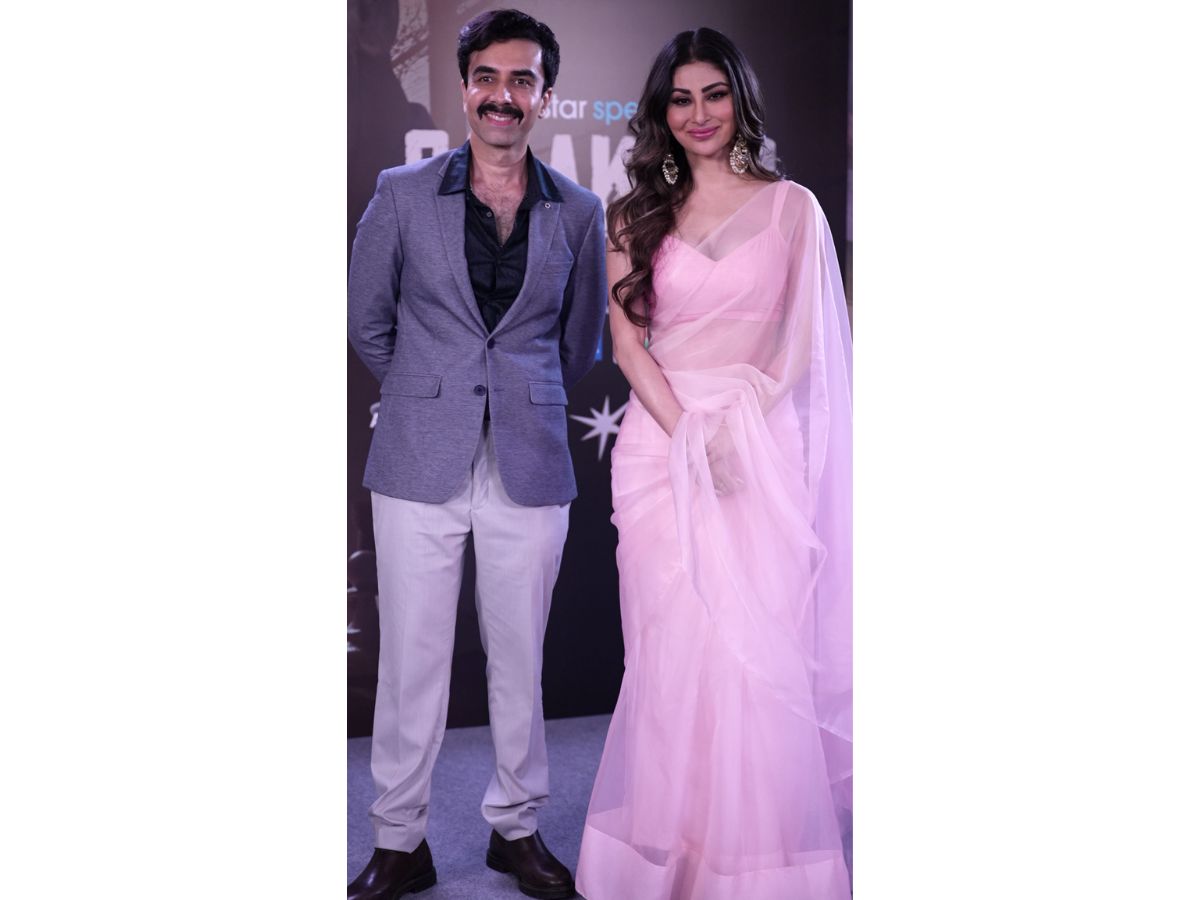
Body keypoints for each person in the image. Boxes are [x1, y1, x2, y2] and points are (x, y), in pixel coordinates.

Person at [576, 27, 853, 900]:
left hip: (760, 437)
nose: (699, 114)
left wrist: (736, 429)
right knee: (671, 649)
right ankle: (676, 856)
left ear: (740, 99)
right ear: (661, 112)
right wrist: (690, 435)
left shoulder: (793, 208)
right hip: (660, 446)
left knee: (756, 653)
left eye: (715, 94)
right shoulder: (631, 214)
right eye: (681, 98)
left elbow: (804, 340)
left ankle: (753, 865)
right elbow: (628, 344)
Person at [347, 9, 608, 899]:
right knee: (411, 662)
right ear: (464, 88)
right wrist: (432, 391)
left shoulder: (580, 210)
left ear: (545, 96)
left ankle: (517, 829)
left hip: (529, 460)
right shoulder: (400, 192)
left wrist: (514, 396)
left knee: (519, 658)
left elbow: (579, 341)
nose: (504, 95)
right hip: (418, 456)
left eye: (522, 80)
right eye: (488, 77)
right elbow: (367, 321)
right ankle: (399, 841)